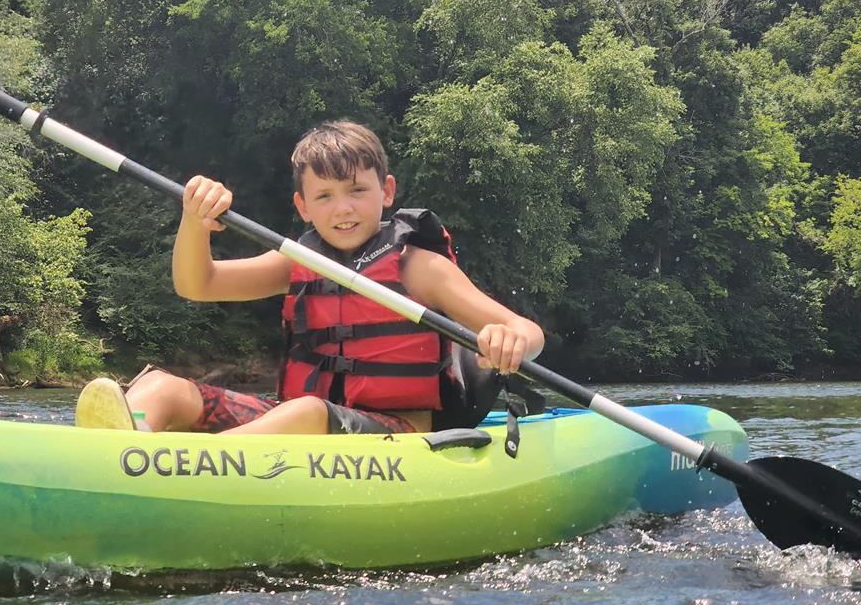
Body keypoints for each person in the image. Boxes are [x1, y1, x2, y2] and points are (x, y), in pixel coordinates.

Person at [69, 120, 544, 436]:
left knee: (308, 411)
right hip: (297, 428)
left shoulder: (418, 266)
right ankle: (113, 455)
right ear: (302, 206)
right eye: (325, 196)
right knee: (161, 387)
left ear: (386, 192)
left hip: (398, 437)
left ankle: (174, 468)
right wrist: (195, 223)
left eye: (358, 190)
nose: (343, 208)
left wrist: (510, 340)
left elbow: (529, 333)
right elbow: (198, 284)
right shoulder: (298, 260)